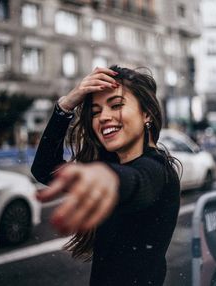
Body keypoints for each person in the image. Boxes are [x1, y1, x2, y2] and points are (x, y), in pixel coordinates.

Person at [31, 65, 181, 286]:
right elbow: (44, 169)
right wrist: (66, 105)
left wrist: (108, 180)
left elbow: (137, 180)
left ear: (146, 113)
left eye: (116, 105)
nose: (103, 117)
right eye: (96, 112)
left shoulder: (159, 170)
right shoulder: (109, 162)